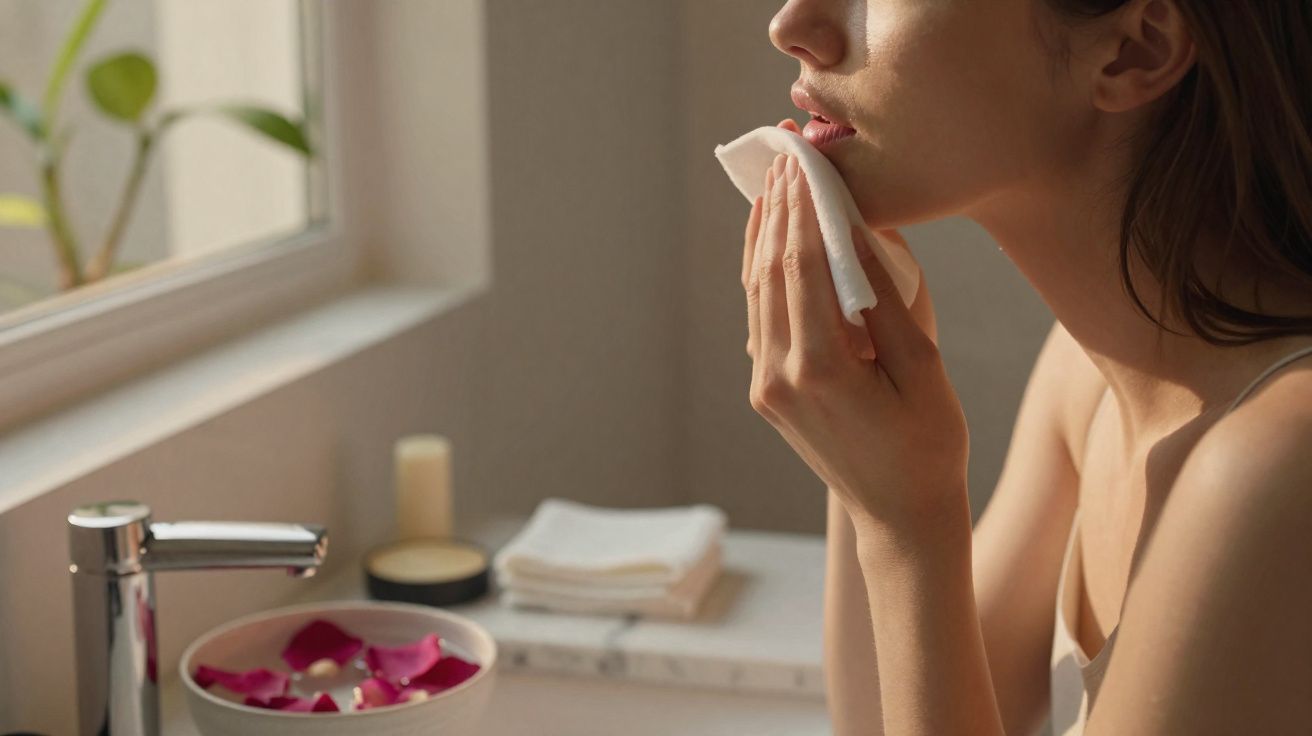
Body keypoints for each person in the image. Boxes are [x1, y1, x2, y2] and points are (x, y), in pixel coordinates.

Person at [741, 1, 1312, 733]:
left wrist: (906, 525)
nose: (792, 25)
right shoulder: (1093, 377)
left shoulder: (1279, 466)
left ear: (1135, 49)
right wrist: (864, 444)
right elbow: (885, 718)